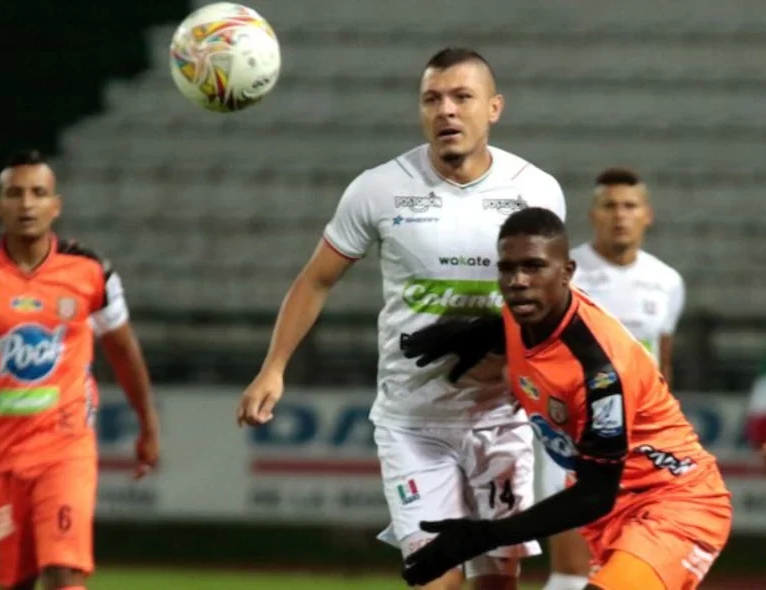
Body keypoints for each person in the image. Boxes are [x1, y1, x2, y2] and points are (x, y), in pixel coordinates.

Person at [234, 47, 566, 590]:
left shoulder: (536, 191)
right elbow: (316, 279)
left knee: (496, 582)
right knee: (433, 577)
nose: (446, 111)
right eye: (432, 99)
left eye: (462, 97)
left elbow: (549, 304)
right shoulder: (379, 189)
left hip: (500, 418)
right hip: (414, 423)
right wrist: (273, 367)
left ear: (495, 108)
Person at [398, 207, 731, 589]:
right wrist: (471, 334)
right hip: (615, 507)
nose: (519, 281)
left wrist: (480, 536)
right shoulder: (522, 316)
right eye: (507, 269)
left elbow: (594, 495)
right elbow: (508, 329)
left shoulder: (600, 374)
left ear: (567, 273)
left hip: (673, 501)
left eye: (534, 267)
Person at [0, 150, 160, 590]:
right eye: (15, 194)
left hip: (65, 446)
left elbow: (124, 352)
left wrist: (148, 425)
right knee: (15, 582)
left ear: (56, 205)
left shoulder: (90, 272)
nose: (26, 204)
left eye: (38, 193)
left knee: (63, 571)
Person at [537, 167, 685, 590]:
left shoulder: (667, 281)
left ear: (647, 215)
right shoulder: (566, 276)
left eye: (629, 205)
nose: (620, 215)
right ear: (592, 214)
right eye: (609, 205)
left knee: (627, 566)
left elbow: (662, 365)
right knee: (571, 568)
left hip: (640, 441)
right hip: (576, 437)